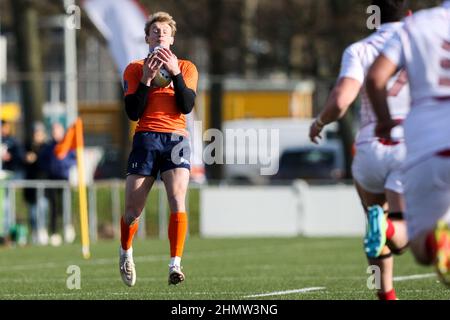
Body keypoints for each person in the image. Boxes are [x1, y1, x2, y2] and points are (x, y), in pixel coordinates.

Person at [309, 0, 410, 300]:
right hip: (408, 145)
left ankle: (385, 296)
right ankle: (390, 229)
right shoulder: (423, 40)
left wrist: (319, 121)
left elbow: (341, 102)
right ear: (408, 13)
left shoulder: (359, 49)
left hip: (368, 151)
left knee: (375, 220)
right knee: (400, 234)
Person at [366, 0, 450, 286]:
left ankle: (435, 242)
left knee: (420, 250)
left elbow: (376, 78)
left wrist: (384, 120)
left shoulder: (415, 25)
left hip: (424, 147)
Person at [120, 11, 198, 286]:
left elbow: (187, 106)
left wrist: (175, 73)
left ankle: (175, 265)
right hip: (146, 138)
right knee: (133, 211)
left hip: (176, 139)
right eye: (155, 32)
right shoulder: (134, 68)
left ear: (172, 38)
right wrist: (146, 79)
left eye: (165, 32)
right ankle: (126, 252)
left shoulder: (187, 67)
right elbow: (133, 112)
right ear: (147, 38)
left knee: (177, 199)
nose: (160, 35)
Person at [38, 122, 76, 246]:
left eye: (57, 131)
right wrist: (49, 168)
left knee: (65, 206)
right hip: (51, 180)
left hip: (64, 179)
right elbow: (42, 161)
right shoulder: (48, 147)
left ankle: (67, 228)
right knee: (53, 207)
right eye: (53, 131)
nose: (55, 134)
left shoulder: (68, 145)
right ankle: (54, 232)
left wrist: (63, 166)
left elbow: (73, 160)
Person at [23, 122, 49, 245]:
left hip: (43, 184)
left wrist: (36, 158)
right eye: (35, 132)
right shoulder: (28, 146)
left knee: (42, 209)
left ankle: (43, 231)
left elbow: (46, 164)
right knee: (33, 211)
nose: (37, 135)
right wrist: (26, 158)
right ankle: (34, 232)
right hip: (31, 186)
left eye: (39, 132)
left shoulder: (46, 147)